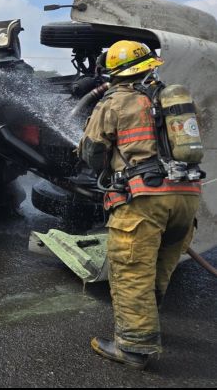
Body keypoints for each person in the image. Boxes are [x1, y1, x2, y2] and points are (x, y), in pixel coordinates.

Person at [77, 40, 202, 369]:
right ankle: (146, 326)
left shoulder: (115, 101)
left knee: (132, 271)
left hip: (144, 200)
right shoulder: (171, 98)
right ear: (150, 66)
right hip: (187, 198)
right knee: (160, 267)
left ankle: (133, 348)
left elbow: (91, 154)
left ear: (114, 74)